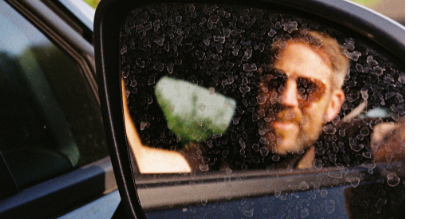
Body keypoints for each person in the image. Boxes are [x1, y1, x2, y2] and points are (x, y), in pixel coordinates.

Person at [124, 26, 401, 173]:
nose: (286, 98)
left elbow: (394, 140)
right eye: (275, 81)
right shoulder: (229, 149)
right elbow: (146, 167)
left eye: (307, 87)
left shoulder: (338, 145)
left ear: (333, 104)